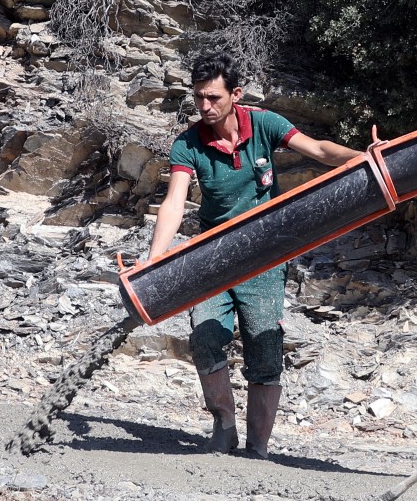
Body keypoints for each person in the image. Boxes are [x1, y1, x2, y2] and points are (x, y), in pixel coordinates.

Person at [145, 55, 359, 457]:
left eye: (213, 98)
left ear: (236, 95)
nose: (205, 107)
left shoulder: (264, 123)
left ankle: (258, 449)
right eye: (198, 99)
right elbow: (175, 201)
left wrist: (361, 156)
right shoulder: (188, 143)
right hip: (213, 257)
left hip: (263, 256)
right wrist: (156, 258)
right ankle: (224, 424)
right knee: (206, 337)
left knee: (265, 350)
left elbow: (317, 149)